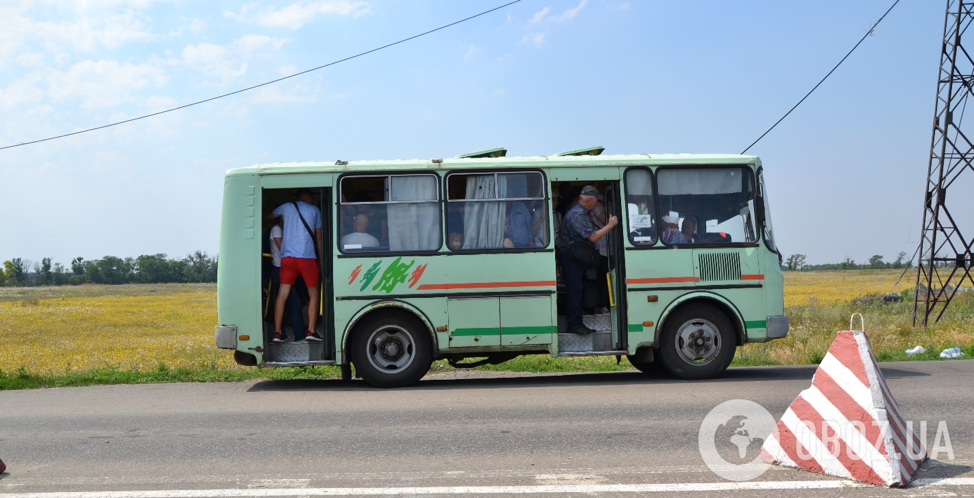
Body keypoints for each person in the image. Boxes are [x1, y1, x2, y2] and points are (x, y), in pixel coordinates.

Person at [557, 185, 618, 335]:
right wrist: (610, 225)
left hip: (573, 256)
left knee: (577, 289)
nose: (596, 204)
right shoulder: (578, 214)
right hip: (571, 257)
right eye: (596, 201)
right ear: (589, 200)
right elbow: (593, 236)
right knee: (575, 290)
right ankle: (574, 324)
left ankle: (577, 322)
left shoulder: (579, 212)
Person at [269, 188, 323, 342]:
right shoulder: (315, 210)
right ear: (306, 197)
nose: (312, 200)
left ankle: (277, 332)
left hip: (287, 258)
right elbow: (318, 238)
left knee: (282, 294)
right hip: (306, 257)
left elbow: (268, 217)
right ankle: (311, 332)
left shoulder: (285, 207)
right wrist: (320, 259)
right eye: (311, 197)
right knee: (313, 293)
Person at [268, 218, 306, 342]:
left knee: (287, 302)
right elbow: (283, 249)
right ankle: (298, 336)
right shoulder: (277, 230)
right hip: (280, 270)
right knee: (295, 303)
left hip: (284, 269)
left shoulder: (280, 230)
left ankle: (282, 334)